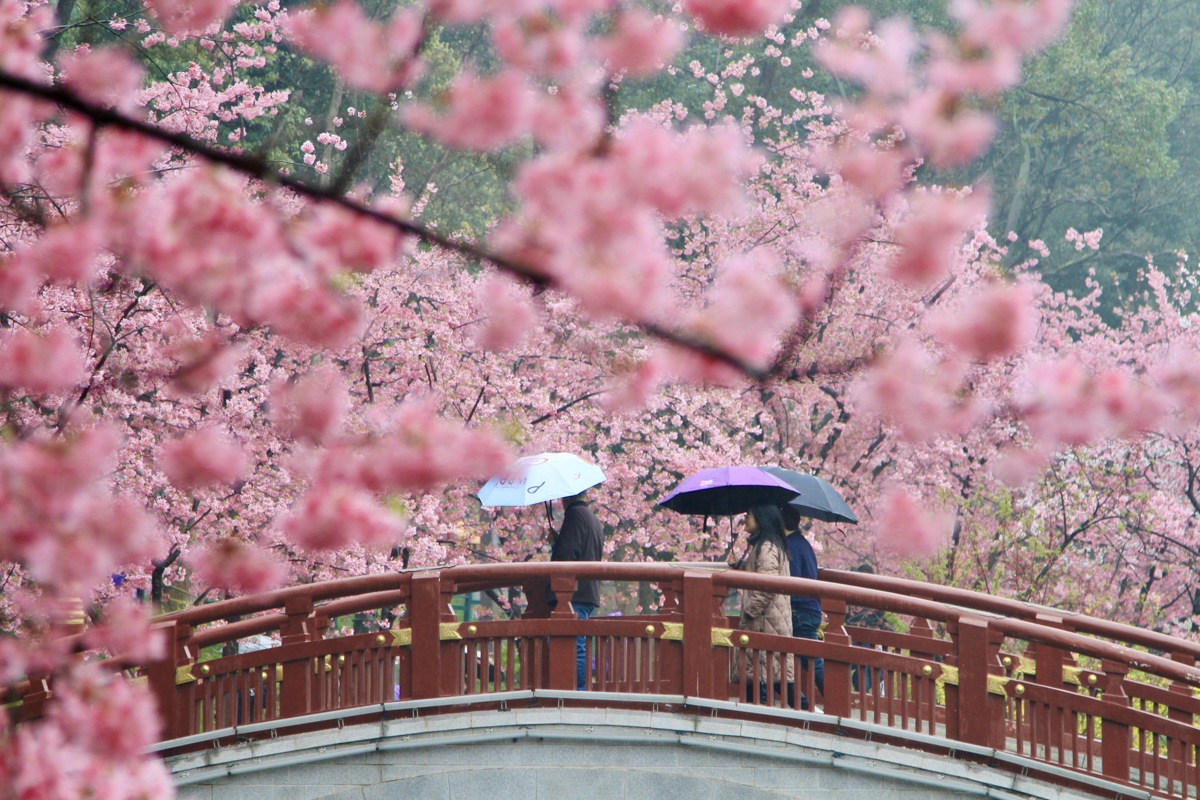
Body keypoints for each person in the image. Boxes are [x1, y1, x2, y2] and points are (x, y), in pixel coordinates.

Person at [730, 505, 794, 705]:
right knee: (771, 677)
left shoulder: (766, 548)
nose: (746, 520)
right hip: (769, 619)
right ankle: (805, 712)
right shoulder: (766, 545)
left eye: (749, 516)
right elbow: (760, 575)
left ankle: (766, 719)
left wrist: (749, 612)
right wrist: (739, 566)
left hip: (765, 621)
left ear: (761, 520)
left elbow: (767, 586)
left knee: (764, 677)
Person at [548, 489, 604, 690]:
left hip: (573, 593)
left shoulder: (575, 515)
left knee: (573, 646)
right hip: (587, 590)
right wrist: (557, 541)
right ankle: (576, 689)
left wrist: (557, 546)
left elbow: (567, 555)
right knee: (576, 644)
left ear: (566, 497)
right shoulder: (592, 518)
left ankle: (577, 690)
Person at [783, 505, 825, 699]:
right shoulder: (803, 543)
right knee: (809, 659)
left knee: (812, 661)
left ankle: (836, 698)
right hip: (810, 608)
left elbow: (793, 580)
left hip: (800, 609)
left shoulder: (790, 546)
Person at [846, 563, 890, 694]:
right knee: (865, 663)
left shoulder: (856, 594)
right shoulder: (874, 595)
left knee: (864, 663)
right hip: (862, 637)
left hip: (859, 636)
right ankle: (863, 689)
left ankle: (863, 689)